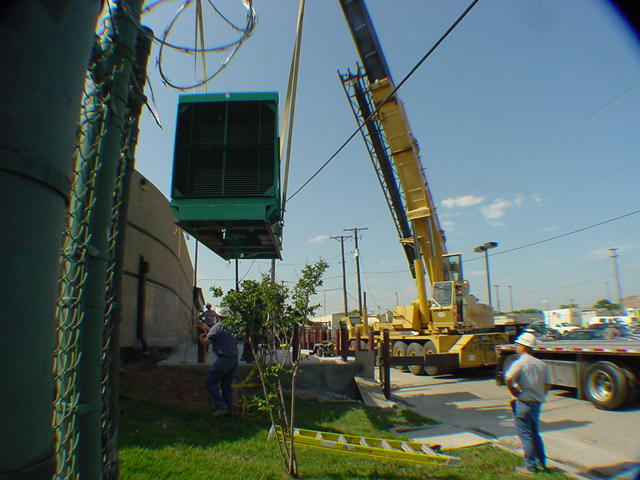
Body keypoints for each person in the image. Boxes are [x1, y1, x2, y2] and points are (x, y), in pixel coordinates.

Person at [505, 332, 551, 475]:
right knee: (535, 433)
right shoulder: (541, 364)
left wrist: (514, 392)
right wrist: (540, 395)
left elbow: (508, 378)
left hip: (523, 402)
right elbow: (548, 385)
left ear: (524, 347)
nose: (516, 347)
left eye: (518, 345)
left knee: (525, 435)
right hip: (536, 404)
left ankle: (530, 467)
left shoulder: (520, 362)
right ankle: (541, 462)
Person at [199, 306, 238, 416]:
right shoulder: (232, 327)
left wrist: (200, 338)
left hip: (223, 359)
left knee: (209, 382)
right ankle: (230, 411)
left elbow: (207, 342)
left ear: (217, 315)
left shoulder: (217, 327)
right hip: (234, 359)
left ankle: (221, 406)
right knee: (226, 386)